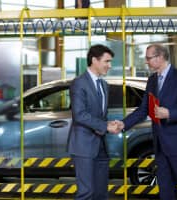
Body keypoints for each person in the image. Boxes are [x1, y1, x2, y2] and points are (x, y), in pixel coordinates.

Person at [113, 44, 177, 200]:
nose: (146, 62)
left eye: (148, 58)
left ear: (160, 57)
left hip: (176, 143)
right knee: (166, 189)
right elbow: (143, 110)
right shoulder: (152, 80)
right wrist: (123, 124)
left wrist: (170, 113)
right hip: (160, 145)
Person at [67, 44, 116, 200]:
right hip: (84, 146)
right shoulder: (79, 83)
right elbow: (79, 115)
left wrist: (111, 124)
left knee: (101, 193)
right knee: (86, 192)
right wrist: (104, 126)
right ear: (94, 60)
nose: (110, 66)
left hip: (101, 144)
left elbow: (101, 114)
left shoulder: (104, 85)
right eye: (107, 61)